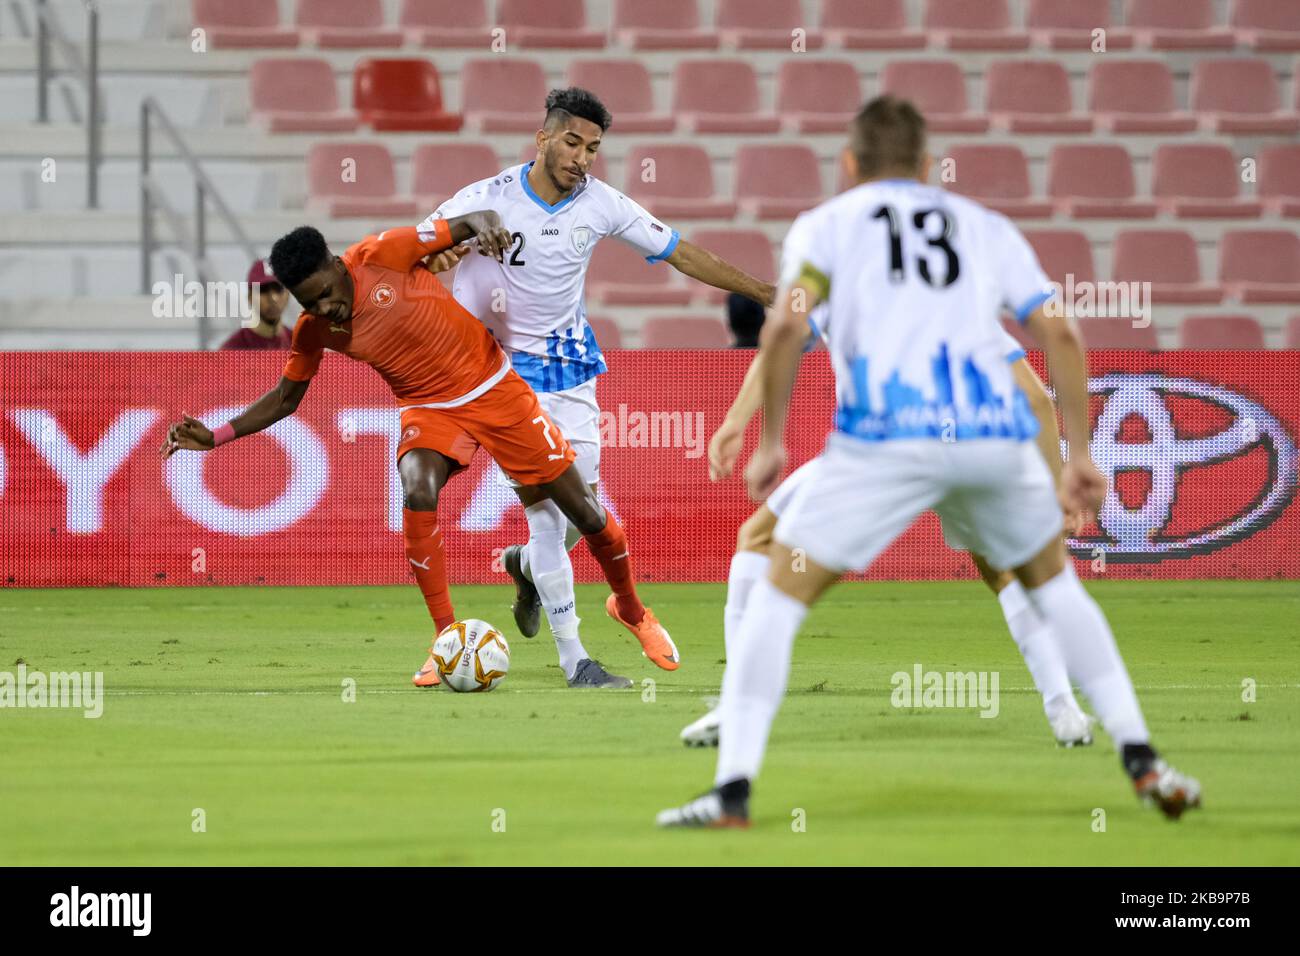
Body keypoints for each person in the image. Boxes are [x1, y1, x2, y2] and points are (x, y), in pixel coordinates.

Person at [657, 96, 1200, 828]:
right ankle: (1142, 757)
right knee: (1054, 585)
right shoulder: (984, 228)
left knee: (778, 598)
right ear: (925, 166)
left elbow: (786, 324)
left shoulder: (827, 226)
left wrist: (769, 439)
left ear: (849, 164)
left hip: (884, 438)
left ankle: (732, 793)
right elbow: (1061, 333)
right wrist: (1081, 457)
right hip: (986, 436)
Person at [160, 213, 669, 690]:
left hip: (493, 388)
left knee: (583, 510)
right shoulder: (317, 329)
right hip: (427, 408)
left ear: (337, 267)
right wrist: (216, 437)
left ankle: (629, 606)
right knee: (417, 488)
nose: (322, 311)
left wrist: (487, 231)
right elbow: (287, 398)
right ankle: (446, 639)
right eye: (308, 305)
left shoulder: (385, 252)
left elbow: (473, 221)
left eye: (325, 296)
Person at [679, 209, 1094, 749]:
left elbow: (783, 337)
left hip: (875, 454)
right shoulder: (953, 303)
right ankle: (1065, 711)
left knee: (758, 540)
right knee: (1003, 574)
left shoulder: (830, 287)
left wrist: (738, 424)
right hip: (962, 453)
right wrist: (1056, 483)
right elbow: (1035, 397)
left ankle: (739, 706)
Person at [419, 87, 774, 684]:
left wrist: (767, 293)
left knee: (585, 512)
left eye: (594, 148)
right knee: (548, 516)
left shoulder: (602, 204)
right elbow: (417, 255)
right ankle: (574, 658)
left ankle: (526, 569)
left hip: (568, 370)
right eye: (573, 142)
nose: (583, 157)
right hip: (493, 372)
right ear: (543, 138)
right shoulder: (484, 200)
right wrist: (454, 243)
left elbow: (681, 254)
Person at [219, 259, 292, 350]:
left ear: (288, 294)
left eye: (278, 289)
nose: (273, 298)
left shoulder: (302, 346)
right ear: (250, 297)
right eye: (263, 290)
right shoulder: (233, 350)